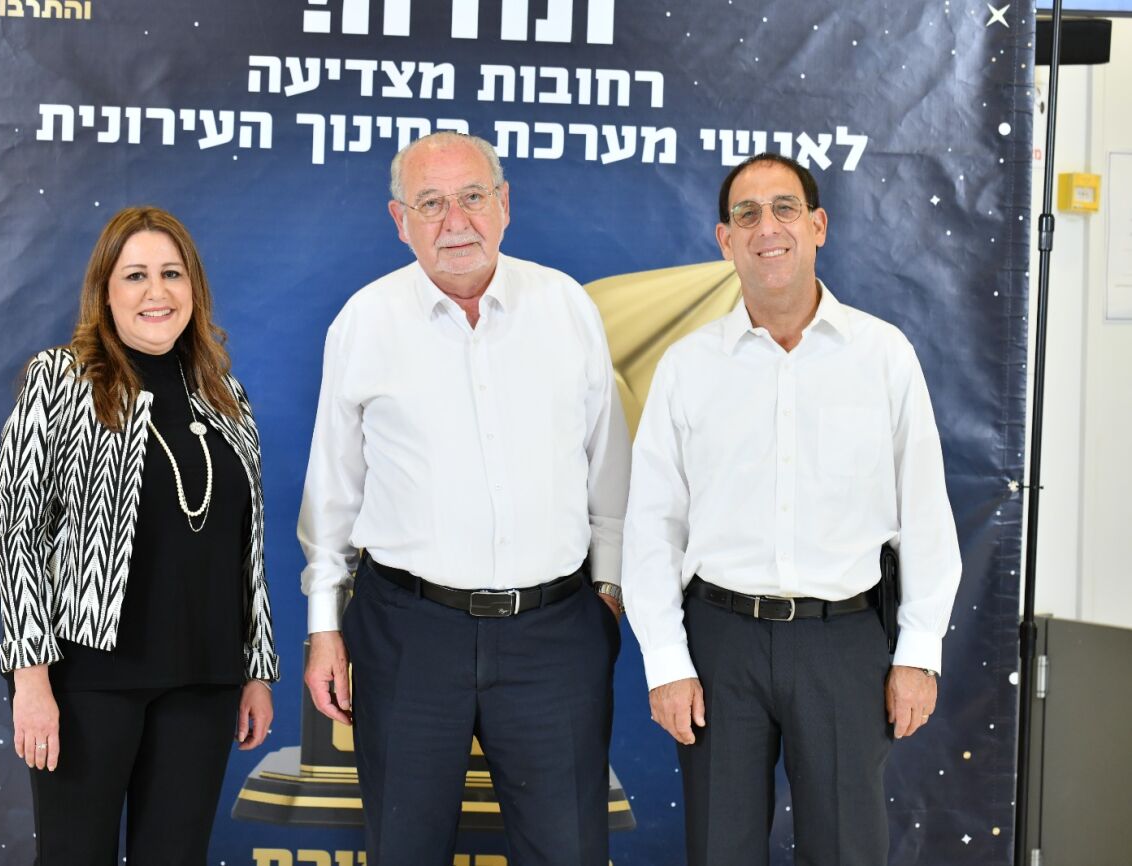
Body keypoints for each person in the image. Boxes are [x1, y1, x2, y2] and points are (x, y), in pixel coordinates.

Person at [298, 131, 630, 866]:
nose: (456, 221)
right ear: (400, 220)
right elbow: (332, 495)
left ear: (504, 204)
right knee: (404, 850)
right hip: (408, 634)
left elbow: (609, 466)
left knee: (570, 852)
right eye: (431, 203)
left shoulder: (565, 306)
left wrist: (607, 592)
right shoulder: (364, 322)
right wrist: (324, 628)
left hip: (555, 634)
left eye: (473, 196)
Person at [622, 153, 962, 865]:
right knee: (720, 851)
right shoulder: (688, 366)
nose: (766, 228)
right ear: (725, 240)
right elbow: (653, 525)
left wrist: (919, 653)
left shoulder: (883, 355)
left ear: (818, 226)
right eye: (746, 215)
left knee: (845, 851)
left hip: (844, 643)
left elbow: (927, 515)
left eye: (784, 209)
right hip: (718, 644)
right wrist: (666, 661)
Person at [0, 206, 279, 865]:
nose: (157, 292)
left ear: (194, 288)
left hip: (204, 679)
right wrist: (30, 680)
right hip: (88, 676)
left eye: (172, 274)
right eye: (136, 275)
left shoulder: (225, 395)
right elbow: (19, 536)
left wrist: (256, 671)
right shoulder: (60, 379)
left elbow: (247, 547)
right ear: (105, 292)